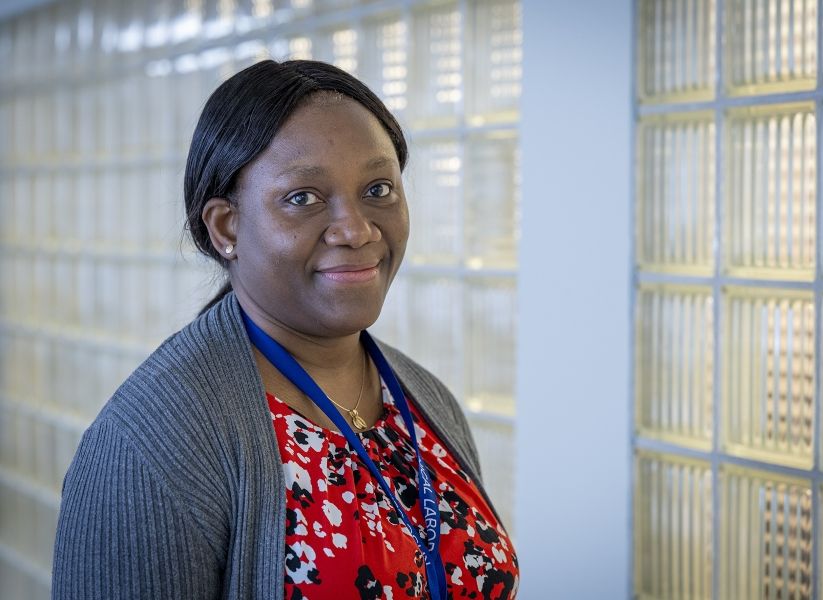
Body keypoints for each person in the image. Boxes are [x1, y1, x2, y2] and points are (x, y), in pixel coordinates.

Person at [51, 60, 519, 599]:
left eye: (378, 189)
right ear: (227, 226)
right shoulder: (151, 449)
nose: (357, 229)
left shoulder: (423, 400)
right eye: (303, 198)